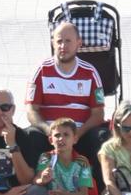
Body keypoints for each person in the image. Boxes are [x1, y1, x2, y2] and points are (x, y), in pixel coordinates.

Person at [26, 21, 108, 163]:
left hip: (80, 136)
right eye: (59, 41)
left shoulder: (90, 72)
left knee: (102, 137)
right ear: (53, 43)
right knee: (29, 135)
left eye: (68, 41)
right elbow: (31, 110)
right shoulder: (41, 70)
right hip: (49, 136)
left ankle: (101, 184)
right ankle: (36, 182)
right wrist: (49, 131)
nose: (63, 46)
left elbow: (98, 114)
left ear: (79, 43)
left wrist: (76, 134)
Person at [36, 118, 94, 195]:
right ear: (51, 140)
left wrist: (64, 194)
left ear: (75, 139)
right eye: (57, 135)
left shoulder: (82, 162)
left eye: (66, 135)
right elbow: (35, 180)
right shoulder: (46, 157)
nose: (61, 138)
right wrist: (42, 180)